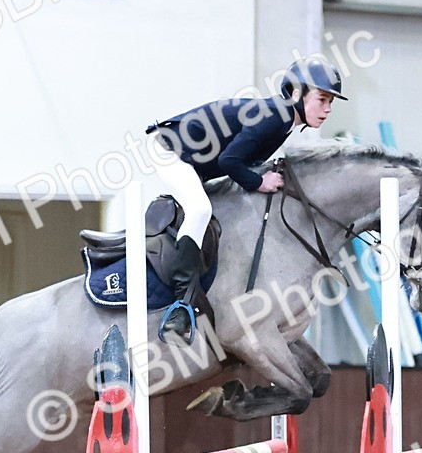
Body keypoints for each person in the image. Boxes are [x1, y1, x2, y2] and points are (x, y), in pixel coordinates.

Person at [146, 56, 347, 343]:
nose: (328, 109)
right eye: (322, 99)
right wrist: (259, 182)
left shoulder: (284, 120)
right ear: (296, 93)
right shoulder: (276, 116)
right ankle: (181, 305)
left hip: (195, 158)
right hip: (169, 149)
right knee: (200, 209)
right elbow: (229, 161)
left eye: (331, 102)